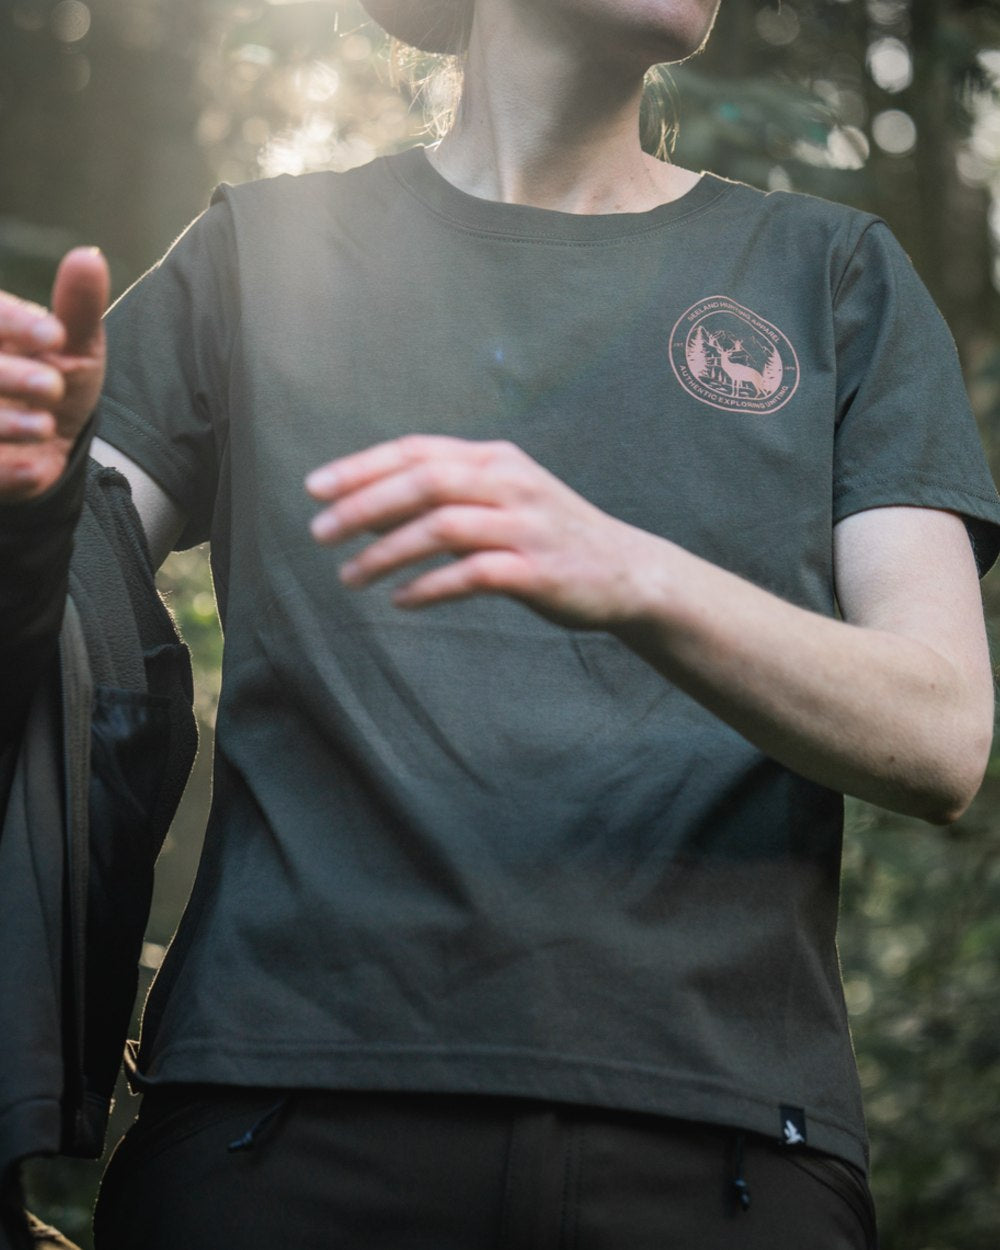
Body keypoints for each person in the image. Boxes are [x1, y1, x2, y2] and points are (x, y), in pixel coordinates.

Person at [2, 0, 999, 1245]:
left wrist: (628, 570)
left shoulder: (830, 272)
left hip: (726, 1149)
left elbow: (941, 732)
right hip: (277, 1125)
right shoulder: (259, 252)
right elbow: (59, 617)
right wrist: (26, 499)